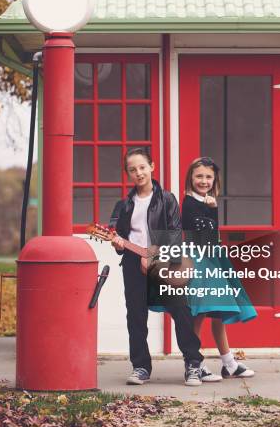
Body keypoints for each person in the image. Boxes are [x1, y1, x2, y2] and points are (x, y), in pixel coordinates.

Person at [110, 147, 204, 387]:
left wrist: (153, 255)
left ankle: (193, 363)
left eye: (142, 167)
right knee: (136, 316)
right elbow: (118, 237)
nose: (138, 173)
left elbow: (174, 233)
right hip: (133, 264)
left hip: (164, 262)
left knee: (181, 312)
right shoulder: (123, 205)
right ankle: (141, 366)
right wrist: (118, 243)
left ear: (152, 166)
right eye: (133, 170)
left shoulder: (167, 199)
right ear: (128, 174)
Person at [182, 157, 257, 380]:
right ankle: (193, 364)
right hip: (198, 260)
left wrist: (212, 209)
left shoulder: (208, 201)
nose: (203, 181)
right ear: (191, 178)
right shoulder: (188, 202)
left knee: (219, 311)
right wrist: (211, 210)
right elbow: (201, 233)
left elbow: (213, 233)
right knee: (199, 312)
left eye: (208, 177)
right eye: (199, 176)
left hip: (213, 257)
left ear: (215, 180)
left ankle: (229, 363)